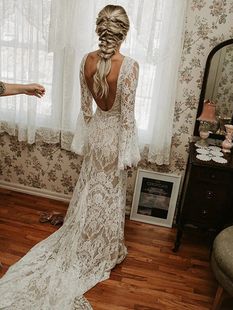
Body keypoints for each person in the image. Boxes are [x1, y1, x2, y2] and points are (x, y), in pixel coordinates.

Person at [0, 5, 140, 309]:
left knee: (89, 192)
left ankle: (83, 243)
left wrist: (92, 136)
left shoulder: (86, 61)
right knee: (110, 195)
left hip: (96, 137)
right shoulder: (129, 66)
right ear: (123, 33)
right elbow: (127, 117)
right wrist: (128, 152)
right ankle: (104, 250)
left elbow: (86, 109)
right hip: (115, 140)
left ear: (100, 30)